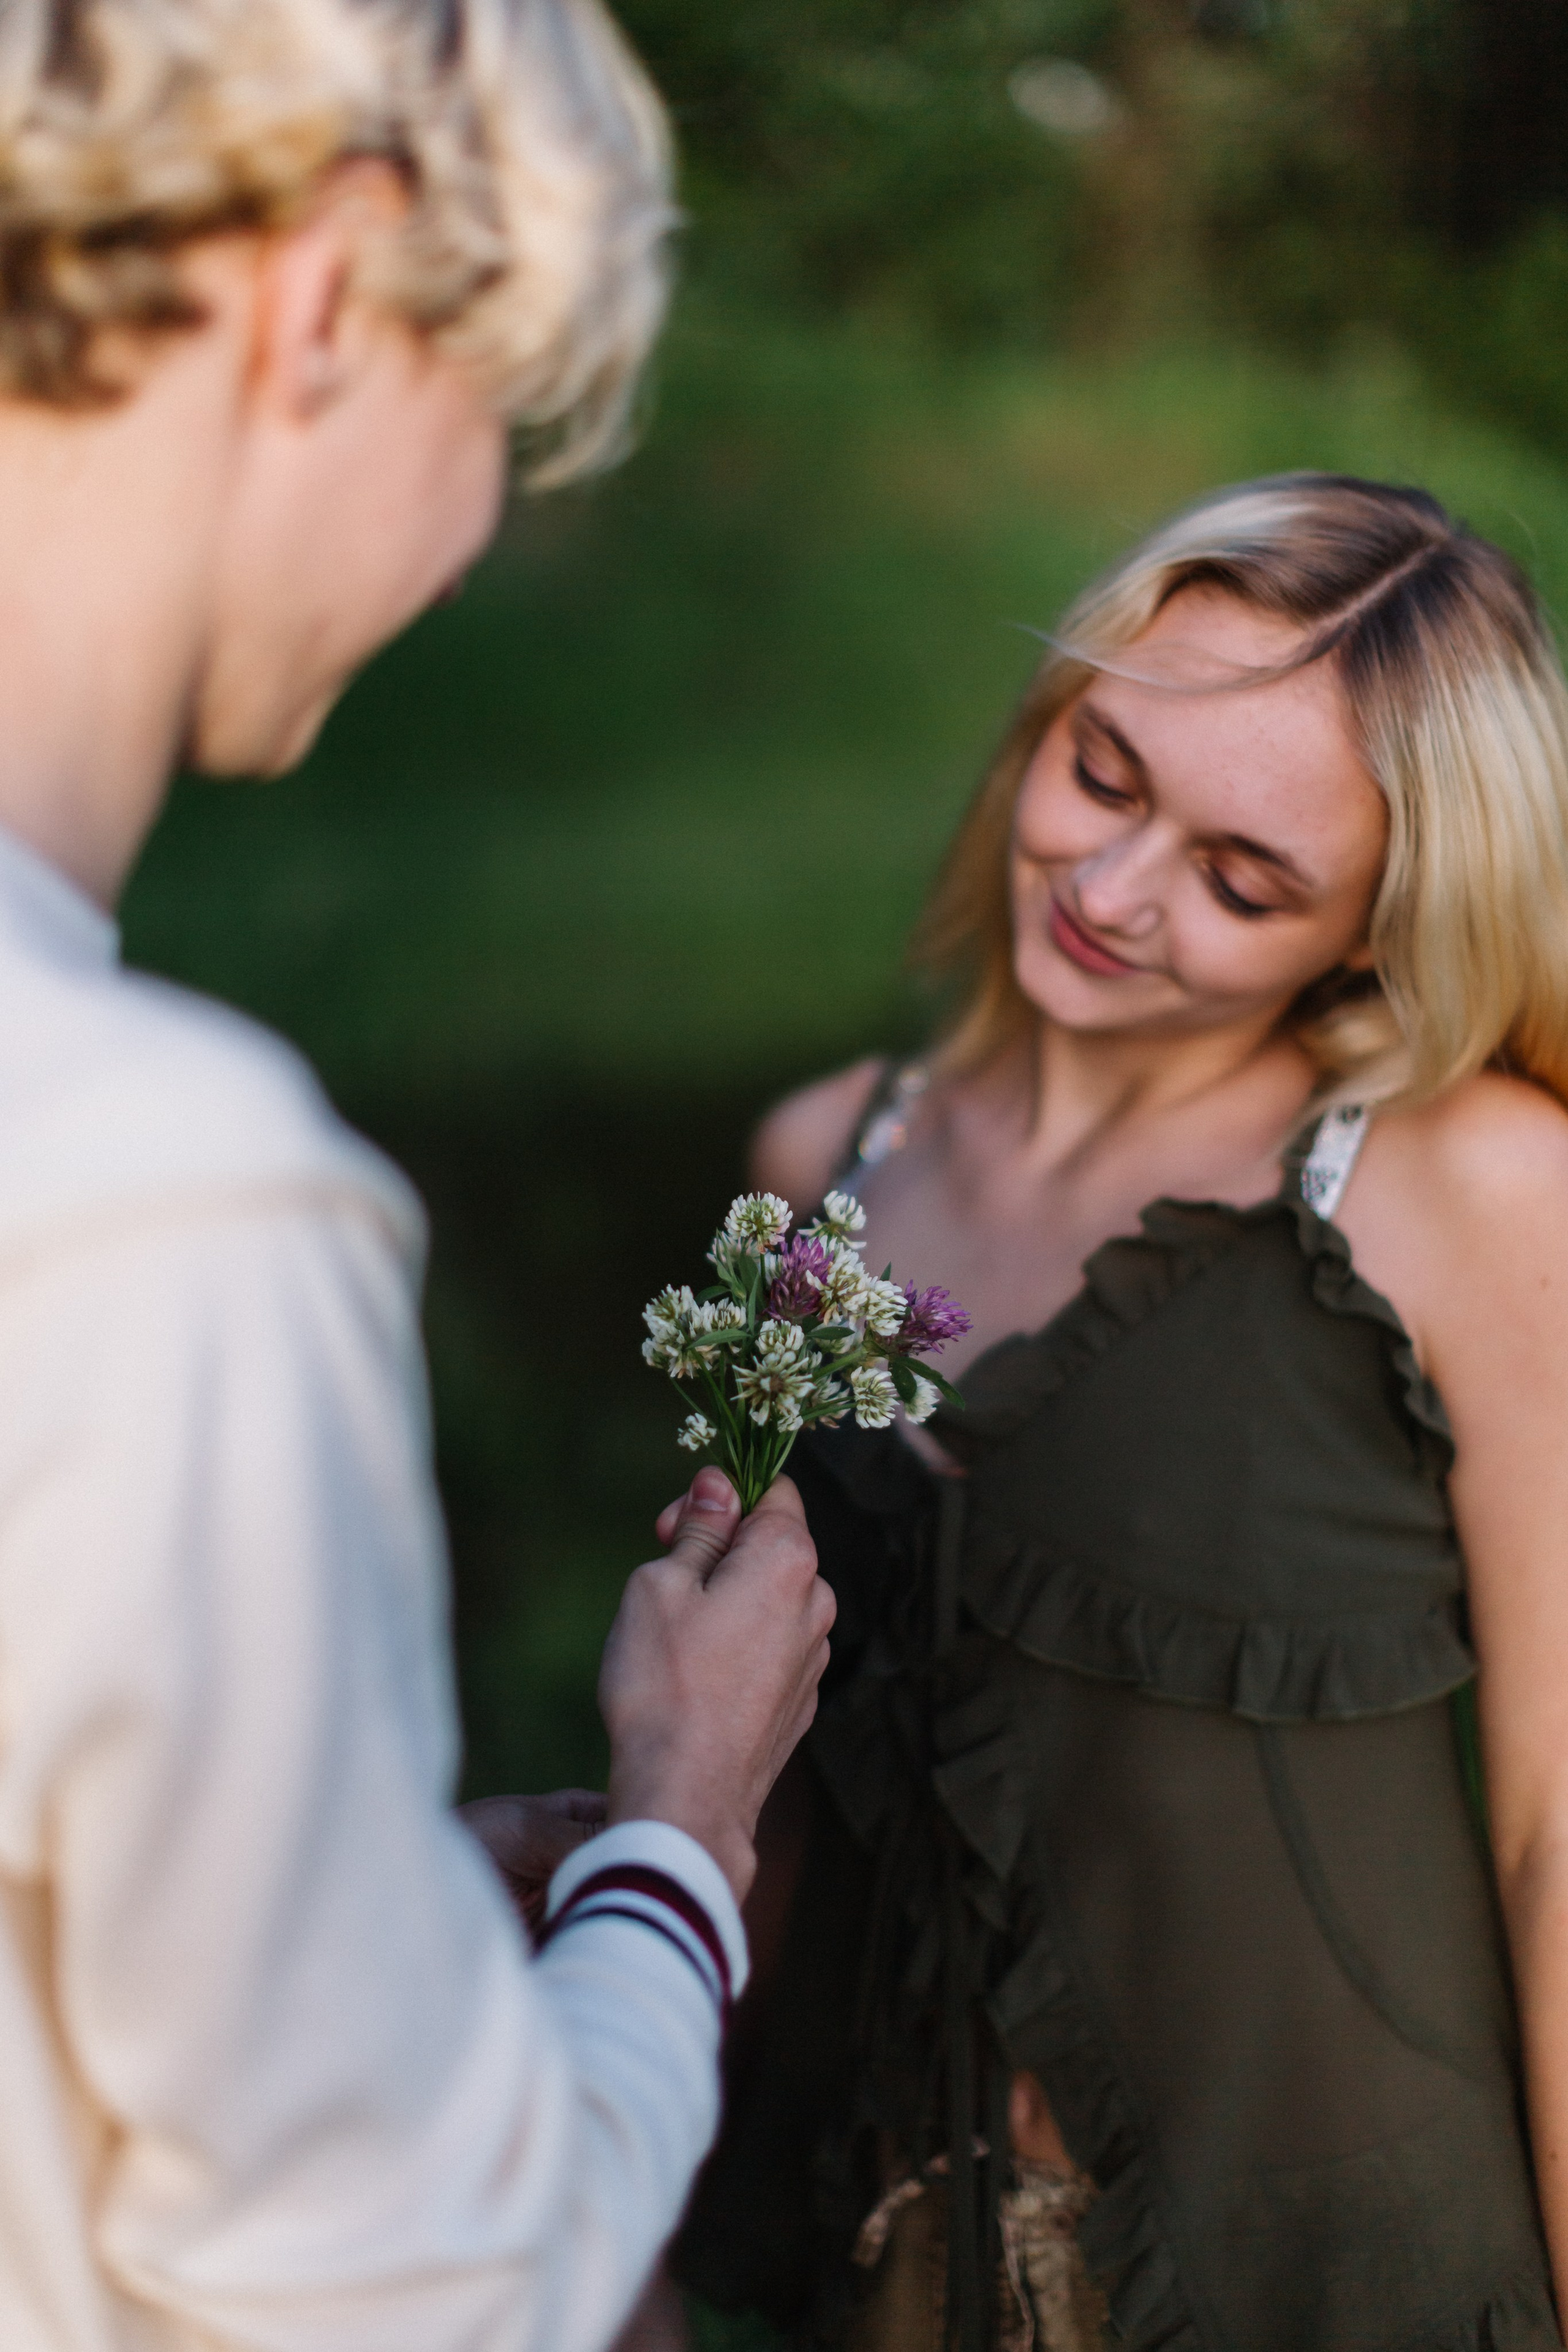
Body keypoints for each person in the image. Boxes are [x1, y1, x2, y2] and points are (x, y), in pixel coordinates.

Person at [0, 3, 834, 2349]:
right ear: (333, 294)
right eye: (506, 426)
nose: (470, 547)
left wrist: (357, 1904)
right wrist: (673, 1848)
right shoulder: (160, 1203)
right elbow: (410, 2291)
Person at [668, 475, 1568, 2351]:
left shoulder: (1466, 1193)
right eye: (1101, 771)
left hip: (1333, 2289)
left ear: (1376, 934)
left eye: (1246, 881)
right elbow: (754, 1785)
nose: (1110, 891)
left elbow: (1562, 1818)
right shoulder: (823, 1170)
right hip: (878, 2284)